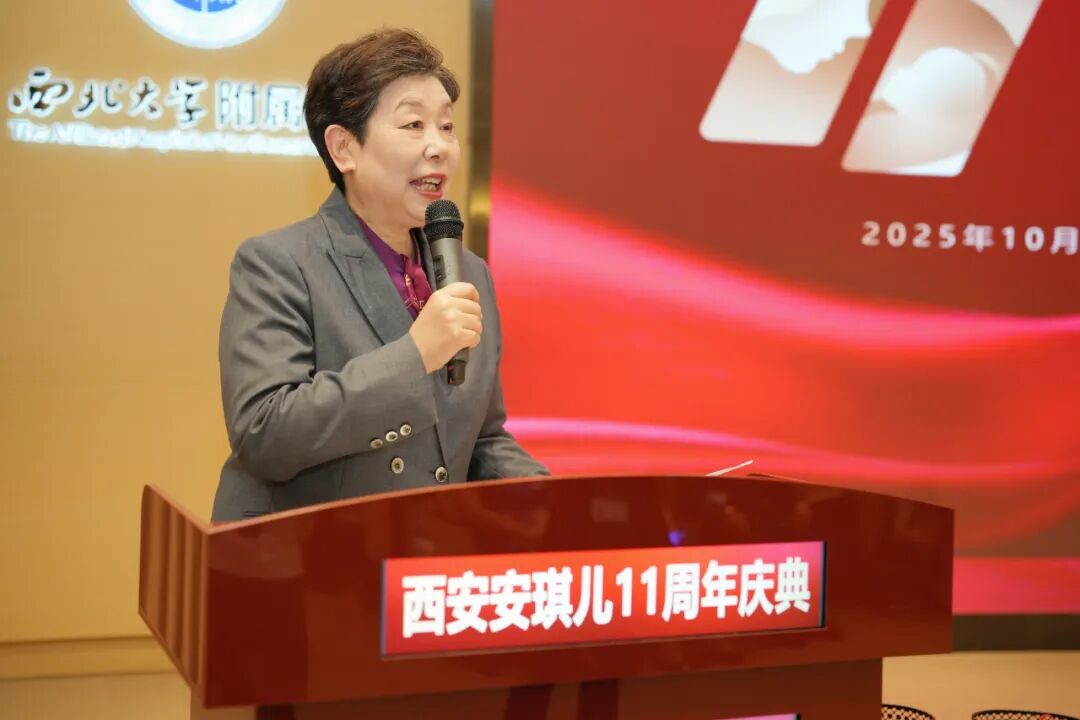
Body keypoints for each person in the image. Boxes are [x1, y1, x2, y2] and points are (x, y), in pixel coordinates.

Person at [210, 28, 548, 522]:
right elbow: (265, 435)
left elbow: (481, 439)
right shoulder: (278, 263)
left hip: (419, 555)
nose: (440, 147)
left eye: (447, 127)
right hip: (306, 556)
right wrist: (416, 356)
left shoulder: (468, 271)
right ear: (343, 148)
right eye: (414, 124)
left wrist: (554, 501)